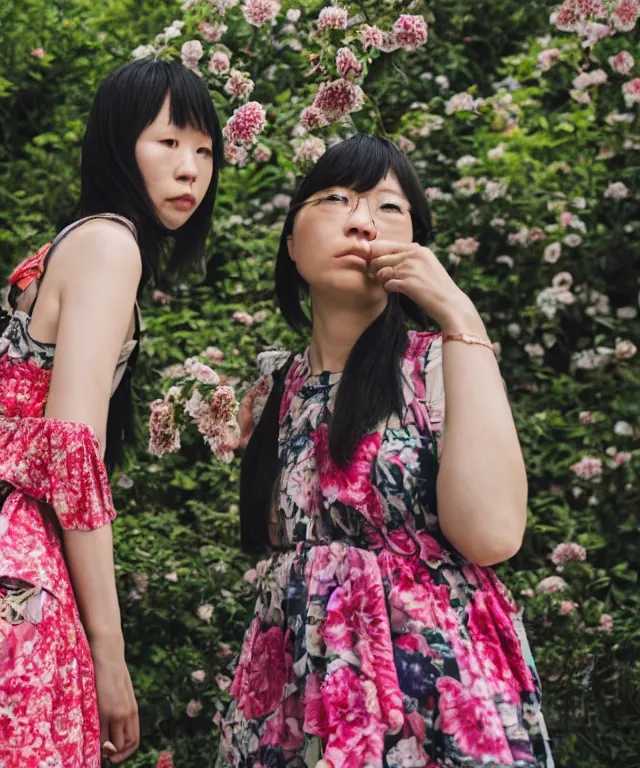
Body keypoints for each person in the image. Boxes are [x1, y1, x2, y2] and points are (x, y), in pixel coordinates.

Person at [217, 135, 554, 768]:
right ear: (290, 242)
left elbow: (492, 534)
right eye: (337, 198)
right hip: (296, 685)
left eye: (388, 207)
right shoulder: (271, 389)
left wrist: (459, 314)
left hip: (434, 684)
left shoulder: (443, 360)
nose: (362, 221)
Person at [0, 58, 223, 768]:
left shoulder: (60, 247)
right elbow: (70, 453)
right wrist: (110, 655)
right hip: (17, 566)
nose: (190, 169)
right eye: (168, 142)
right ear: (118, 144)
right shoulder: (108, 244)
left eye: (205, 150)